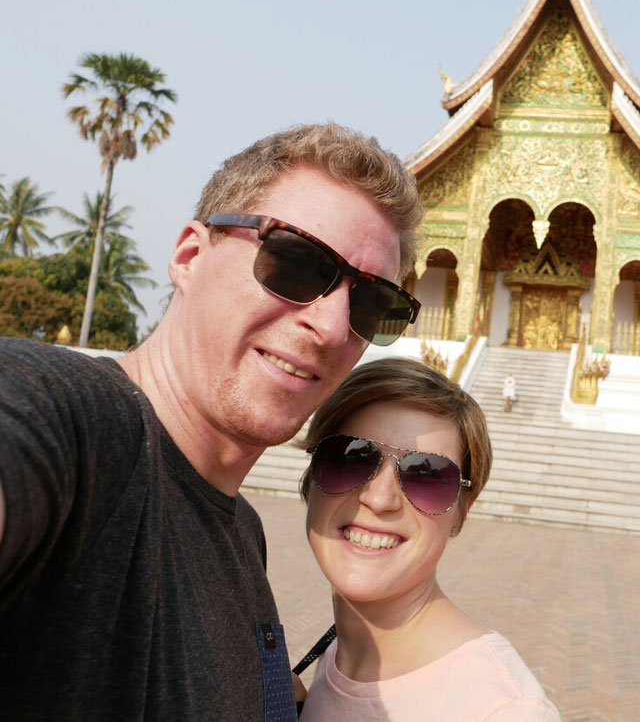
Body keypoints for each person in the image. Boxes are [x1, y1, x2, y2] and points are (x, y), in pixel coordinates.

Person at [0, 122, 423, 721]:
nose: (330, 327)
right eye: (297, 263)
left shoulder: (242, 535)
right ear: (190, 258)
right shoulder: (77, 423)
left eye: (372, 303)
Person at [297, 358, 560, 721]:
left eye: (427, 476)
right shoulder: (339, 658)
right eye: (350, 457)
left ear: (461, 512)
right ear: (312, 476)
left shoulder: (502, 710)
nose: (378, 498)